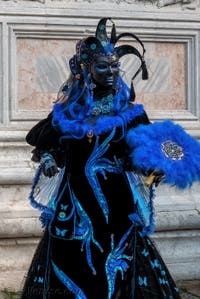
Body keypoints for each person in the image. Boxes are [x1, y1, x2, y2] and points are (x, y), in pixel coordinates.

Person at [20, 18, 182, 299]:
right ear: (86, 67)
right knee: (71, 259)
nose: (110, 71)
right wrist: (48, 159)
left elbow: (142, 151)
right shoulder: (68, 111)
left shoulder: (129, 113)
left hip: (116, 203)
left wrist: (157, 165)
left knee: (116, 260)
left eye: (115, 65)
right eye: (103, 65)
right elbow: (51, 143)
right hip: (74, 202)